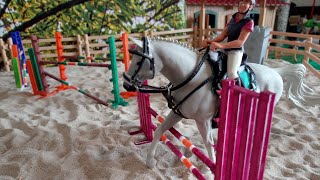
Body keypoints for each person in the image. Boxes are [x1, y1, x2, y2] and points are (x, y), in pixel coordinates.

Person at [203, 0, 255, 83]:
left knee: (232, 74)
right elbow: (222, 35)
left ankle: (237, 91)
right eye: (241, 2)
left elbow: (240, 42)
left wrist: (220, 45)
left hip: (235, 51)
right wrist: (210, 41)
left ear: (250, 6)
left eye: (246, 3)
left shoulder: (249, 22)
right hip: (226, 49)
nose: (242, 4)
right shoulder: (233, 19)